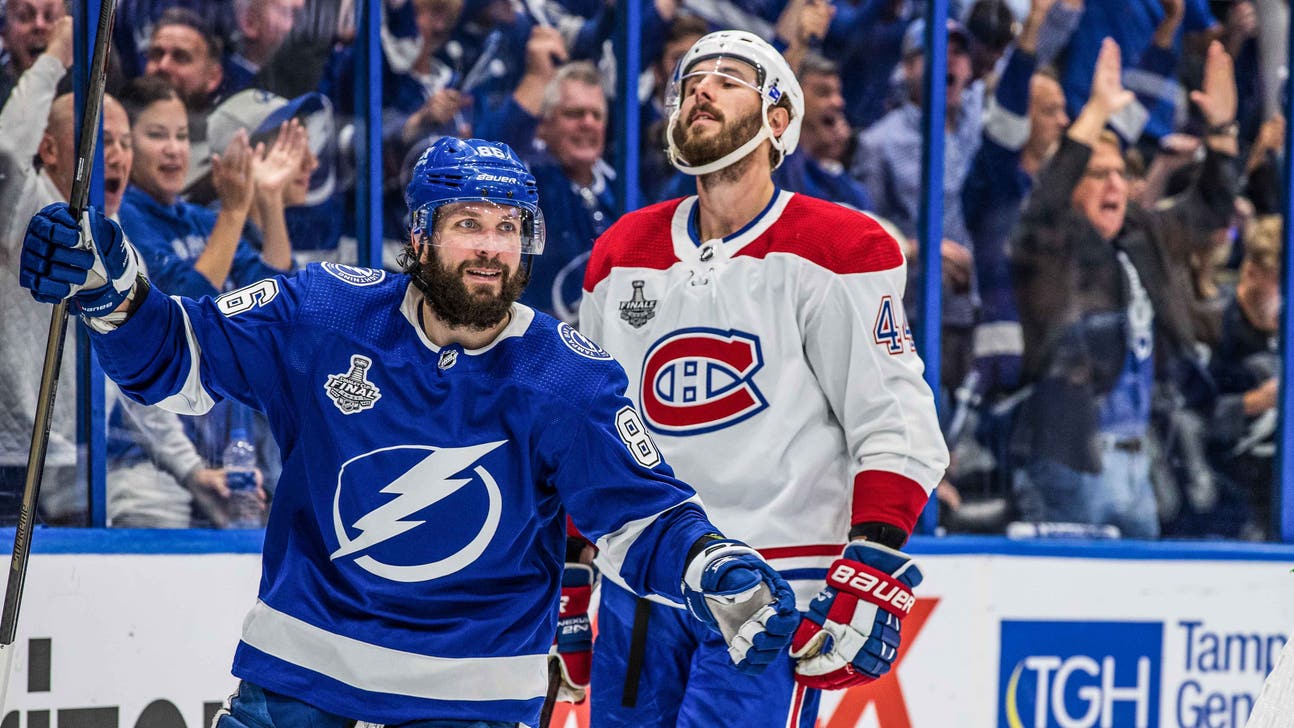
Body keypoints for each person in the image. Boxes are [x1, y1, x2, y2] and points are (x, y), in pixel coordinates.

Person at [18, 135, 801, 726]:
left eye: (508, 227)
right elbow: (181, 359)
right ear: (421, 236)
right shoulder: (326, 312)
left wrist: (712, 565)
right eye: (468, 224)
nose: (491, 246)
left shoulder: (566, 375)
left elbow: (642, 516)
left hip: (471, 691)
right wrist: (115, 294)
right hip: (303, 667)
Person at [580, 31, 947, 727]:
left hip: (774, 584)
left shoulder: (838, 246)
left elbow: (893, 419)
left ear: (778, 120)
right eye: (691, 82)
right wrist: (574, 573)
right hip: (641, 583)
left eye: (728, 80)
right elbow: (590, 430)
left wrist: (873, 557)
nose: (701, 90)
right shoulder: (622, 252)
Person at [1009, 38, 1239, 539]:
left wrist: (1222, 132)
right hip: (1072, 459)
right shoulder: (1050, 248)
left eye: (1119, 173)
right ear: (1071, 185)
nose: (1115, 184)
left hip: (1141, 461)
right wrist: (1094, 113)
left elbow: (1208, 212)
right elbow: (1043, 207)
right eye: (1097, 175)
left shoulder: (1140, 236)